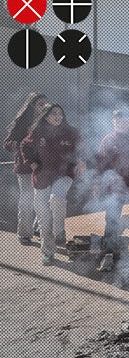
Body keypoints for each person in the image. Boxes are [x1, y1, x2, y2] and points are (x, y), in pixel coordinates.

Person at [21, 103, 85, 265]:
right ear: (46, 116)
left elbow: (83, 147)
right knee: (43, 215)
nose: (58, 116)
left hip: (64, 174)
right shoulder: (37, 132)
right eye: (54, 113)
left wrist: (82, 161)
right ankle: (48, 252)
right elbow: (24, 146)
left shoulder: (70, 132)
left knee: (57, 197)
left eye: (60, 113)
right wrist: (32, 164)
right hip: (42, 177)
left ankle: (59, 231)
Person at [94, 109, 129, 271]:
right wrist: (96, 183)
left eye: (124, 121)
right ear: (113, 122)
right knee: (112, 220)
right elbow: (100, 164)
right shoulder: (108, 140)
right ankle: (109, 253)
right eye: (117, 121)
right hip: (115, 188)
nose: (120, 124)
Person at [4, 92, 48, 245]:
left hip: (43, 167)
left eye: (45, 104)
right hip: (24, 167)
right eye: (40, 104)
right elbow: (8, 142)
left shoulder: (48, 121)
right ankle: (24, 233)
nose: (44, 107)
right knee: (27, 198)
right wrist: (21, 148)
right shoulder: (23, 122)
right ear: (33, 106)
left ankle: (37, 227)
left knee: (43, 199)